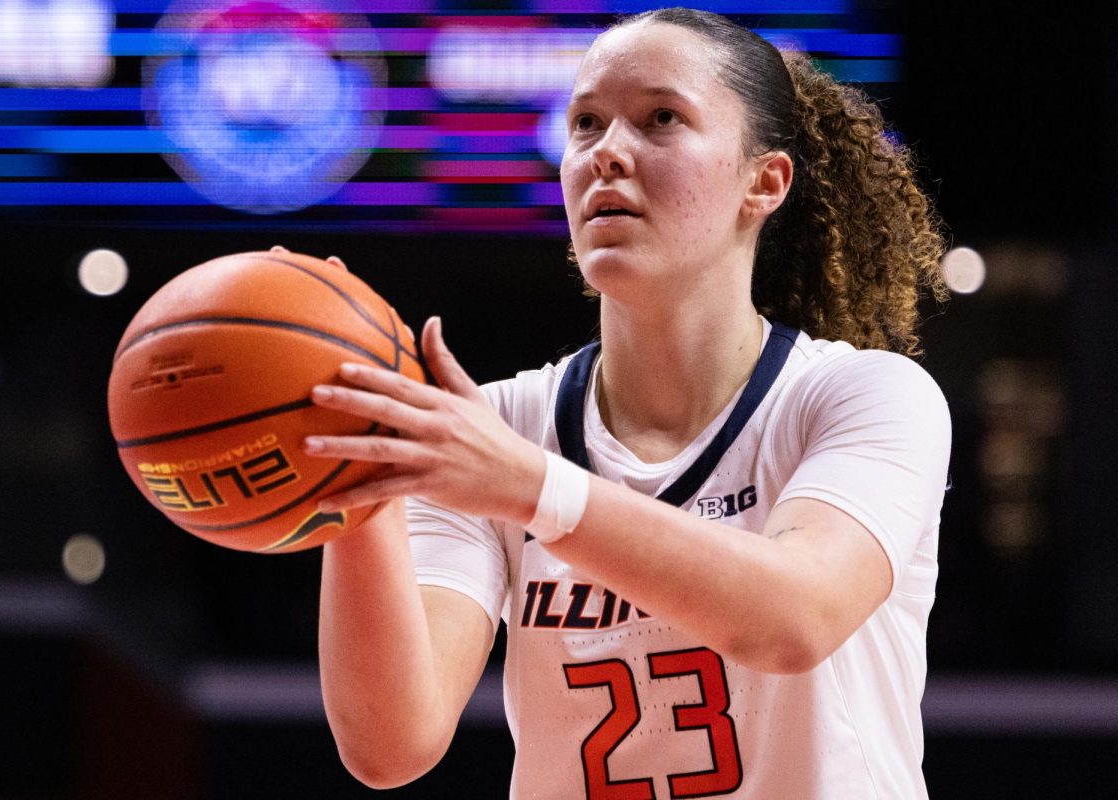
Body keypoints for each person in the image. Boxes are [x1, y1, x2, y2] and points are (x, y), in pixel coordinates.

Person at [306, 7, 950, 798]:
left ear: (764, 181)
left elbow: (797, 618)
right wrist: (355, 483)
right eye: (585, 124)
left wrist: (530, 487)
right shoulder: (493, 430)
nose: (606, 152)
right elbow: (390, 745)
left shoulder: (862, 397)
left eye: (661, 118)